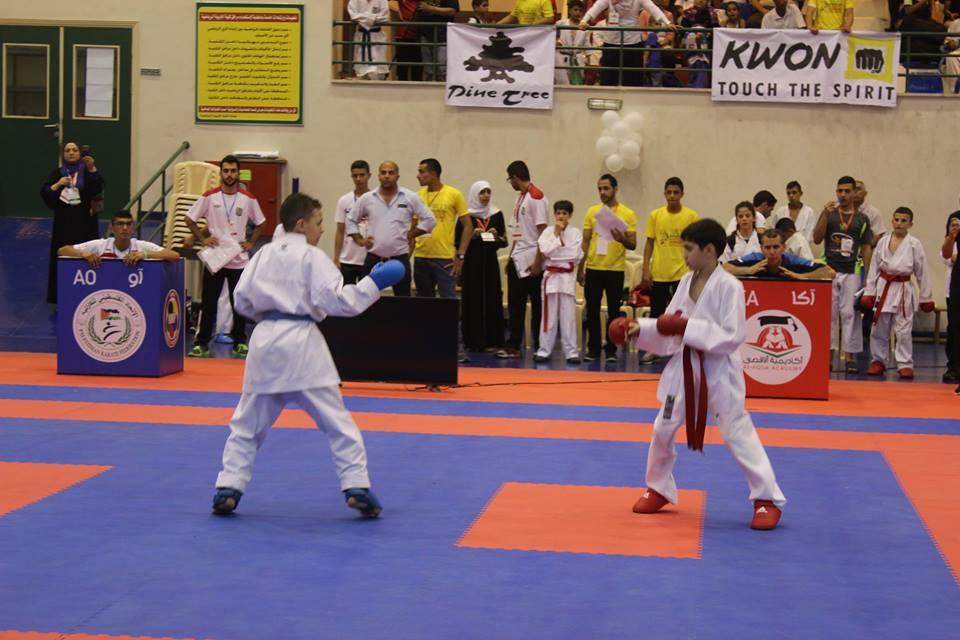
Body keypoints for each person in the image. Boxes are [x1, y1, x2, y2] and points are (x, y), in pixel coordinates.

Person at [210, 193, 406, 519]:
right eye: (318, 223)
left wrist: (268, 314)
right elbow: (341, 302)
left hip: (265, 342)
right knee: (338, 424)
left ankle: (228, 487)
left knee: (246, 424)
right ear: (301, 224)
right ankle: (356, 485)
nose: (322, 230)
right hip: (302, 344)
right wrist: (373, 283)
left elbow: (241, 300)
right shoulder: (312, 257)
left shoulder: (261, 255)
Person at [624, 219, 786, 530]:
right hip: (683, 367)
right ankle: (658, 487)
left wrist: (686, 327)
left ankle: (766, 499)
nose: (684, 255)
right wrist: (639, 329)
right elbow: (669, 324)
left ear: (709, 250)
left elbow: (732, 335)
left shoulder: (730, 286)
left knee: (736, 431)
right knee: (663, 426)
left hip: (718, 369)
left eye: (688, 249)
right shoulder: (686, 281)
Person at [185, 155, 266, 359]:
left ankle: (240, 342)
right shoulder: (210, 196)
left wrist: (251, 242)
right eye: (226, 171)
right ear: (221, 173)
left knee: (238, 302)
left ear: (238, 173)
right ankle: (201, 343)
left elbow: (261, 222)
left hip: (238, 260)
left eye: (233, 171)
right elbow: (189, 218)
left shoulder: (248, 198)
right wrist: (202, 239)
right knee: (208, 302)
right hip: (215, 259)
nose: (229, 174)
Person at [862, 207, 935, 379]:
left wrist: (926, 297)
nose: (899, 223)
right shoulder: (882, 242)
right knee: (878, 328)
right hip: (883, 287)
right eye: (896, 220)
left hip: (903, 289)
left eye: (903, 221)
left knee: (903, 330)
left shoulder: (914, 244)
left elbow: (922, 272)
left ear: (910, 224)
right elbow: (874, 268)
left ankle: (904, 364)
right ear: (892, 221)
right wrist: (869, 291)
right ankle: (878, 360)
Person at [346, 161, 436, 297]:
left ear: (397, 176)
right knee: (365, 299)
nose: (387, 176)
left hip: (400, 258)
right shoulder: (367, 198)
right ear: (378, 176)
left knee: (403, 300)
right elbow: (351, 219)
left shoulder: (409, 197)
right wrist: (359, 240)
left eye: (391, 173)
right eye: (383, 173)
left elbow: (430, 220)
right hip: (373, 258)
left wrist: (411, 234)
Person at [413, 158, 472, 362]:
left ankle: (456, 349)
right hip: (421, 258)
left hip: (444, 259)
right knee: (425, 308)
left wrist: (460, 255)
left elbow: (468, 226)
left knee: (449, 306)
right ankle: (428, 348)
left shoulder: (453, 194)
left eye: (422, 171)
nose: (418, 175)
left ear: (433, 173)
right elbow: (412, 228)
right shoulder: (417, 196)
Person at [813, 175, 873, 373]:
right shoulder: (829, 214)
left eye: (847, 191)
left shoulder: (862, 219)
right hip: (829, 270)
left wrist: (868, 277)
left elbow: (866, 247)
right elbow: (817, 238)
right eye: (840, 191)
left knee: (850, 315)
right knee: (828, 315)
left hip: (852, 271)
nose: (843, 195)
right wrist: (824, 214)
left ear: (855, 193)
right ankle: (827, 356)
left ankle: (850, 357)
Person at [579, 174, 638, 363]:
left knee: (614, 310)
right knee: (592, 309)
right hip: (594, 267)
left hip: (615, 269)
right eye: (600, 189)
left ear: (615, 189)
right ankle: (594, 349)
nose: (602, 192)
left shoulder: (627, 213)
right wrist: (580, 267)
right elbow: (586, 241)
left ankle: (611, 349)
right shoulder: (592, 212)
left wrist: (621, 239)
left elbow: (633, 244)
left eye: (606, 188)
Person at [641, 177, 699, 364]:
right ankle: (654, 349)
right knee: (657, 314)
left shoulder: (691, 216)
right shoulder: (655, 215)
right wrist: (645, 269)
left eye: (676, 192)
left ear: (682, 194)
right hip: (660, 273)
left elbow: (695, 244)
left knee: (684, 314)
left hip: (683, 274)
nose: (672, 196)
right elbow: (649, 243)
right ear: (665, 194)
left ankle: (684, 349)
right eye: (669, 192)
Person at [497, 161, 549, 359]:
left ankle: (540, 345)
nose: (510, 183)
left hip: (532, 259)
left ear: (515, 178)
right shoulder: (521, 197)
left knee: (536, 305)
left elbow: (543, 233)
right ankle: (514, 345)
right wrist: (511, 255)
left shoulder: (536, 197)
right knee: (515, 304)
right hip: (518, 258)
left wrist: (538, 261)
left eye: (509, 179)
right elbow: (518, 231)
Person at [42, 142, 104, 304]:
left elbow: (98, 188)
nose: (71, 153)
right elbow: (46, 193)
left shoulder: (87, 172)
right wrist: (58, 184)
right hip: (63, 224)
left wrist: (92, 168)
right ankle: (59, 293)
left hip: (86, 223)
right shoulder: (57, 173)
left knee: (88, 254)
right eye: (67, 150)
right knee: (63, 253)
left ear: (79, 153)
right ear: (63, 154)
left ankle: (88, 292)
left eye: (74, 150)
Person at [459, 181, 507, 352]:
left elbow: (504, 241)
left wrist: (496, 236)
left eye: (488, 192)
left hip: (490, 265)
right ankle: (473, 341)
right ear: (475, 194)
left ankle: (493, 340)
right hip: (472, 265)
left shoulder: (496, 214)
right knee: (473, 300)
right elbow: (457, 241)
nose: (486, 195)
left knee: (492, 298)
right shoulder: (466, 216)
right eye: (482, 192)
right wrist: (471, 236)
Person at [581, 0, 673, 87]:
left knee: (633, 78)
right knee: (608, 77)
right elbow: (596, 7)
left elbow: (653, 8)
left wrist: (667, 23)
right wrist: (584, 21)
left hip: (634, 43)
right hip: (611, 42)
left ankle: (632, 98)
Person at [535, 201, 583, 363]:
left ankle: (571, 352)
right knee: (548, 316)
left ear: (570, 215)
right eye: (558, 213)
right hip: (551, 278)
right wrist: (556, 235)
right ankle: (544, 350)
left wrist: (554, 254)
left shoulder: (575, 233)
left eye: (564, 213)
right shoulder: (548, 232)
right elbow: (545, 251)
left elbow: (575, 255)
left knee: (568, 317)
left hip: (567, 278)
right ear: (554, 214)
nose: (561, 216)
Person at [58, 210, 180, 266]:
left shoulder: (141, 246)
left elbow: (174, 256)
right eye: (120, 224)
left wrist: (145, 255)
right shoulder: (100, 245)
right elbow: (62, 250)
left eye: (128, 224)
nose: (125, 228)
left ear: (133, 228)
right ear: (112, 228)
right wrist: (83, 254)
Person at [723, 228, 836, 280]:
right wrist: (748, 270)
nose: (772, 252)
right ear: (761, 249)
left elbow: (830, 272)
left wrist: (800, 276)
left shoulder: (794, 261)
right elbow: (724, 268)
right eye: (767, 248)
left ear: (783, 248)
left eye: (776, 247)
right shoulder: (754, 259)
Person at [333, 161, 372, 285]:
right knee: (346, 293)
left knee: (367, 294)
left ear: (369, 175)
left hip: (369, 258)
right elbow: (340, 231)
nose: (358, 179)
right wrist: (336, 258)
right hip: (347, 259)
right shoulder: (344, 200)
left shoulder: (376, 199)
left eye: (362, 175)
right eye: (355, 176)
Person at [417, 0, 459, 82]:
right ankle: (428, 88)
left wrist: (430, 8)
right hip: (425, 32)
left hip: (442, 34)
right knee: (428, 70)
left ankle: (443, 88)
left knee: (442, 69)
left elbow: (452, 11)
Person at [348, 0, 389, 80]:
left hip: (376, 36)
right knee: (360, 71)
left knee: (377, 71)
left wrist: (363, 18)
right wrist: (373, 18)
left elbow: (385, 17)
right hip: (361, 35)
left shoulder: (382, 1)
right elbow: (353, 16)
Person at [769, 181, 816, 247]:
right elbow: (773, 232)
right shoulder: (780, 211)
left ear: (801, 193)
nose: (791, 195)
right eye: (788, 193)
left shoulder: (809, 212)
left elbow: (809, 236)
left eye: (794, 192)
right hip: (782, 249)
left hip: (802, 249)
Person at [942, 211, 960, 384]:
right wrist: (952, 236)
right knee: (955, 326)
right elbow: (947, 254)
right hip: (956, 282)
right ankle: (954, 367)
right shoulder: (956, 218)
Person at [556, 1, 590, 85]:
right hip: (562, 58)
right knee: (562, 84)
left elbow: (587, 45)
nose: (578, 12)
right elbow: (554, 38)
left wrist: (588, 59)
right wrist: (557, 42)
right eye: (575, 9)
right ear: (570, 10)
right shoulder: (560, 23)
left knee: (578, 85)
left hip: (578, 59)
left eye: (580, 10)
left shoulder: (585, 27)